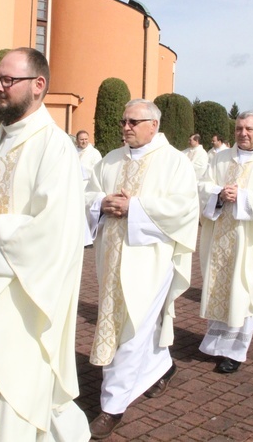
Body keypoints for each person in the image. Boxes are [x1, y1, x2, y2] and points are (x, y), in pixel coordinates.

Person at [0, 47, 89, 441]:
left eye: (7, 80)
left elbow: (55, 231)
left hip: (22, 302)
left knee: (16, 394)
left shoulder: (54, 147)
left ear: (38, 86)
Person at [85, 99, 198, 439]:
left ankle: (111, 407)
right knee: (126, 324)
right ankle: (163, 367)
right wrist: (99, 203)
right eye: (123, 121)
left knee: (131, 329)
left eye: (134, 121)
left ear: (154, 125)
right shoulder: (110, 160)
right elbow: (88, 192)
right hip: (111, 258)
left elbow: (183, 208)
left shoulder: (175, 163)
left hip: (151, 260)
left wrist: (134, 207)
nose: (126, 127)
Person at [198, 112, 253, 373]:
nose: (243, 133)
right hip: (220, 238)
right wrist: (218, 193)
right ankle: (216, 344)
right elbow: (202, 186)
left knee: (244, 290)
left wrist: (243, 196)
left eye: (249, 128)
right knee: (220, 288)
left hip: (250, 241)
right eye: (239, 128)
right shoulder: (220, 158)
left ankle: (236, 351)